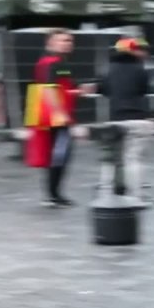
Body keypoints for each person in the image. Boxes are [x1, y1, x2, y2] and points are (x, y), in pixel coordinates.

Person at [25, 29, 93, 207]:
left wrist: (77, 91)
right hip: (55, 117)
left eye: (70, 41)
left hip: (48, 115)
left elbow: (61, 87)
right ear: (50, 43)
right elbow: (48, 89)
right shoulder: (53, 63)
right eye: (63, 40)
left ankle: (52, 194)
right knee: (60, 155)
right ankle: (54, 195)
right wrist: (61, 115)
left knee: (56, 154)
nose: (68, 44)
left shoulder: (55, 63)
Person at [98, 37, 154, 200]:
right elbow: (144, 90)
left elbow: (104, 90)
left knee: (111, 158)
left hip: (116, 117)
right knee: (134, 158)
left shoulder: (108, 69)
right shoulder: (141, 69)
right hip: (138, 118)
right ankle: (136, 195)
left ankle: (106, 194)